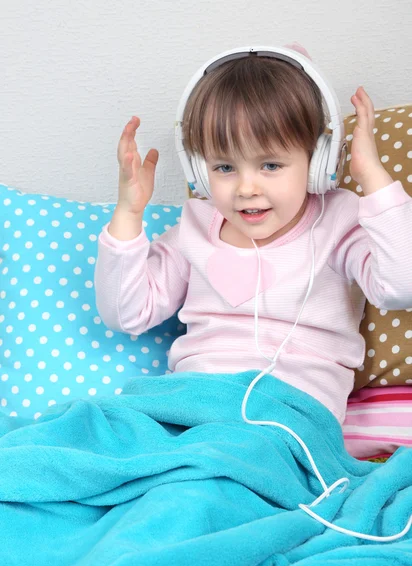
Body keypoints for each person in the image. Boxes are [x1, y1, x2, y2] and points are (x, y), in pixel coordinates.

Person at [94, 44, 412, 426]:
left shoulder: (338, 220)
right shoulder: (194, 225)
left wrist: (371, 176)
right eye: (225, 167)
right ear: (199, 170)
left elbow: (401, 285)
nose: (246, 188)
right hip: (190, 403)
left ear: (318, 163)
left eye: (271, 165)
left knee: (209, 479)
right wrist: (129, 213)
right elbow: (126, 314)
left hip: (289, 416)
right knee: (90, 433)